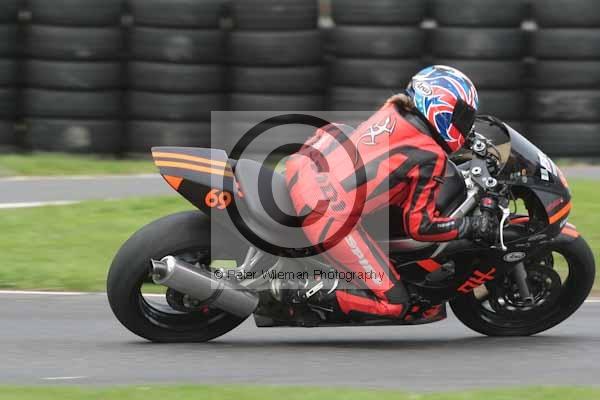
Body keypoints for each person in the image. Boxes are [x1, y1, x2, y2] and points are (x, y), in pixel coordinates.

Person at [285, 65, 494, 319]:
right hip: (327, 212)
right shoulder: (430, 156)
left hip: (306, 165)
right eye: (462, 117)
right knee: (396, 304)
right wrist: (470, 226)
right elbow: (421, 227)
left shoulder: (394, 108)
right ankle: (296, 294)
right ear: (441, 107)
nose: (465, 124)